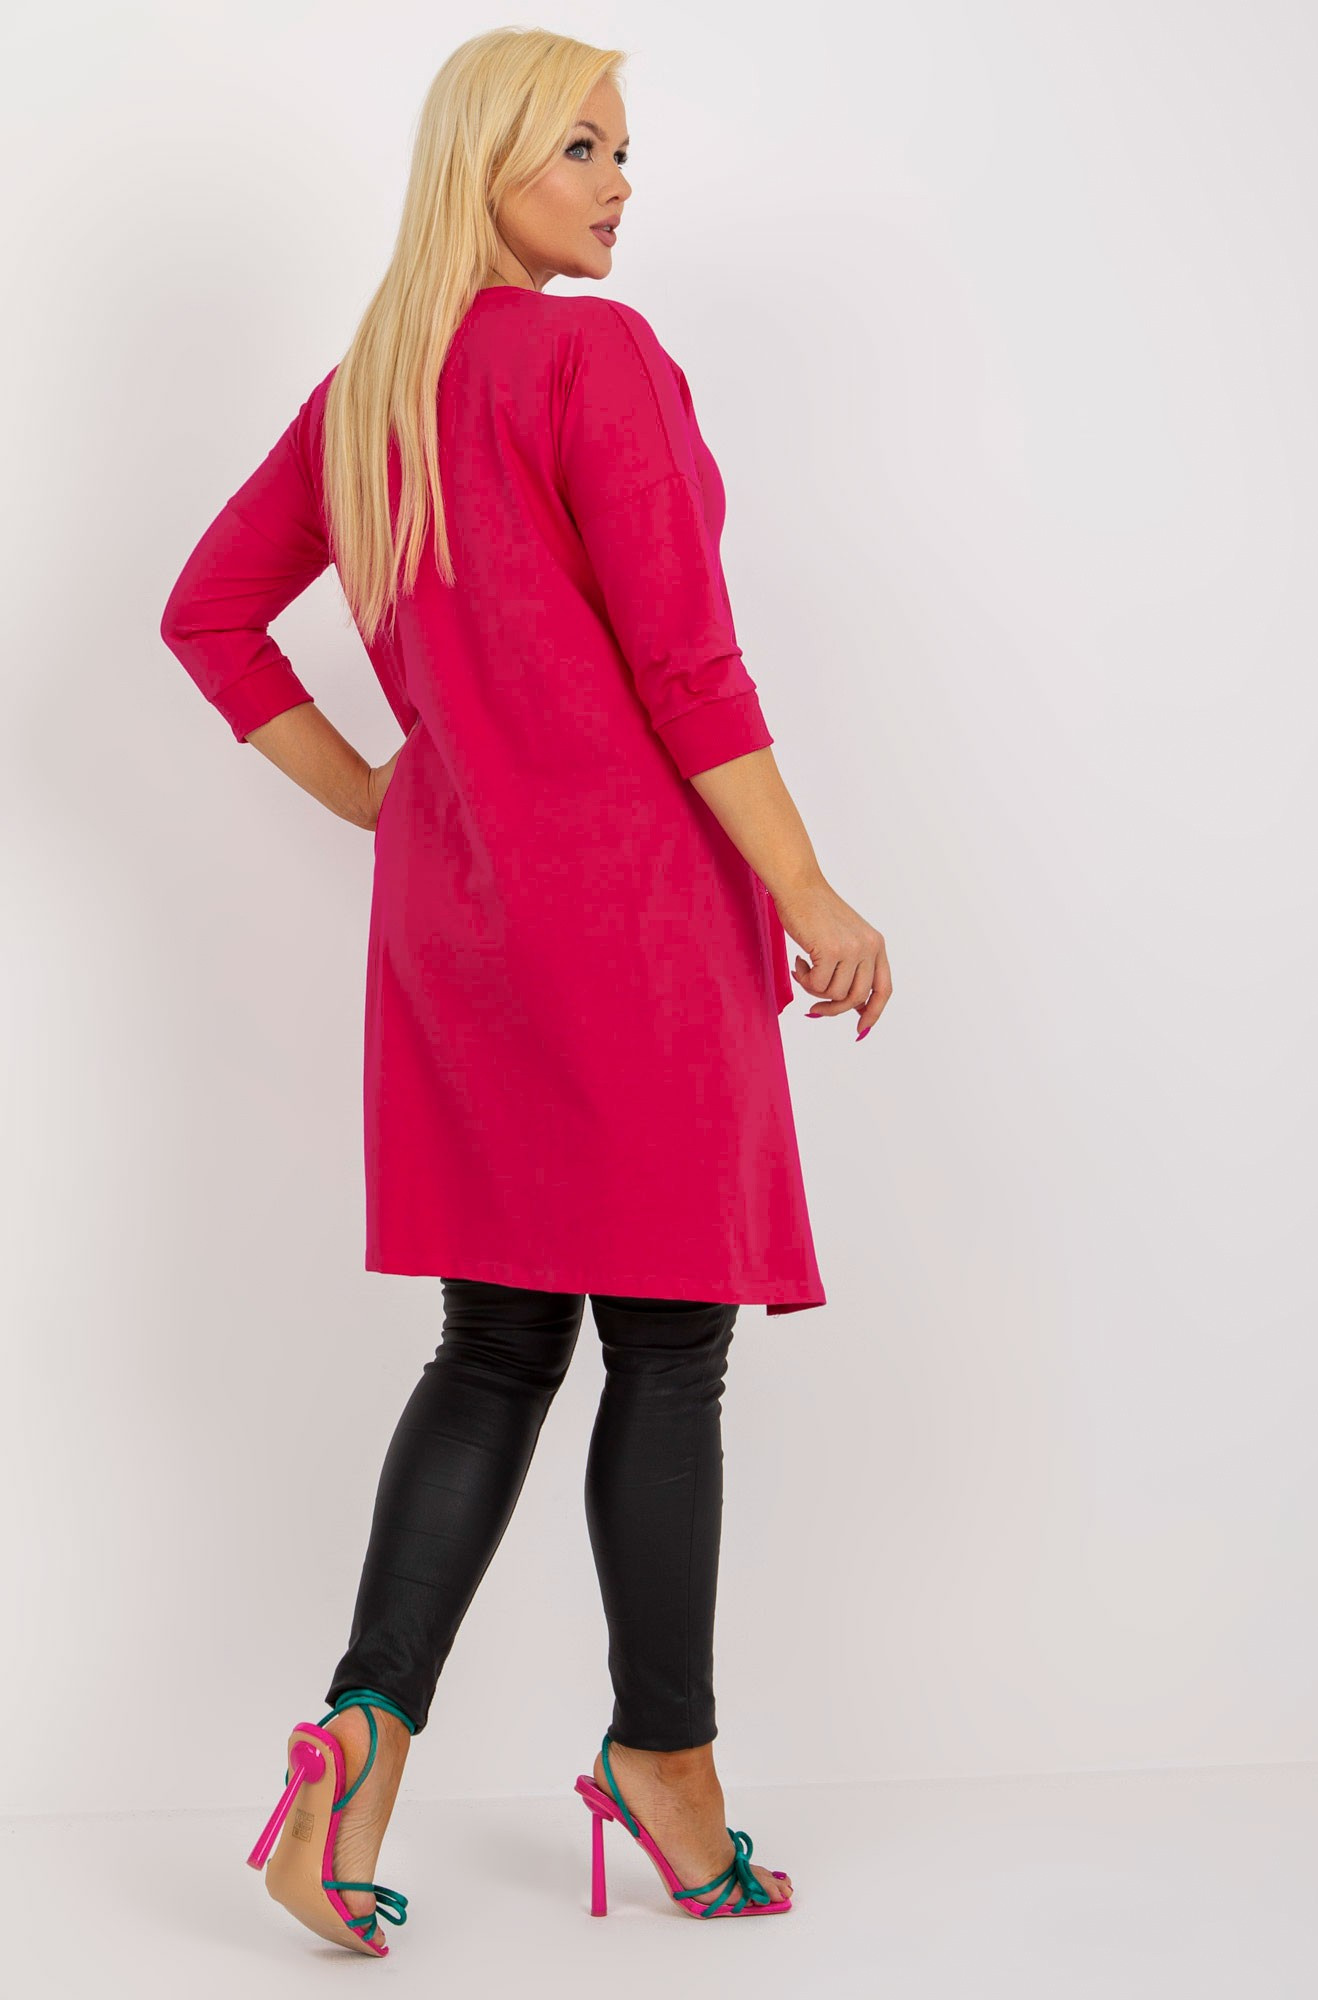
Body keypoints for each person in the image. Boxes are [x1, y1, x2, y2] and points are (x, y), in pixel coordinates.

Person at [161, 27, 891, 1951]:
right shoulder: (592, 360)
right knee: (667, 1346)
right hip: (633, 922)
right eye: (582, 147)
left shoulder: (369, 392)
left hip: (464, 926)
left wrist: (385, 794)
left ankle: (360, 1740)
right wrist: (809, 887)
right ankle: (668, 1763)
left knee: (495, 1344)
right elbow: (687, 669)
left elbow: (208, 617)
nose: (621, 181)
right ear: (484, 160)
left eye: (622, 149)